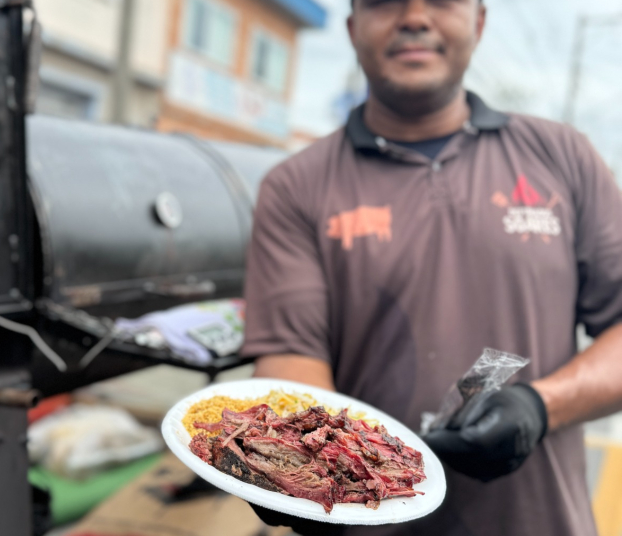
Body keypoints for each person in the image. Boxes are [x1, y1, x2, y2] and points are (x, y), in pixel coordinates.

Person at [241, 0, 622, 534]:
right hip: (367, 519)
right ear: (353, 28)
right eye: (383, 2)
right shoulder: (297, 186)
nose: (414, 16)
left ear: (480, 21)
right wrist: (307, 463)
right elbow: (290, 352)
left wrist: (541, 407)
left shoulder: (563, 156)